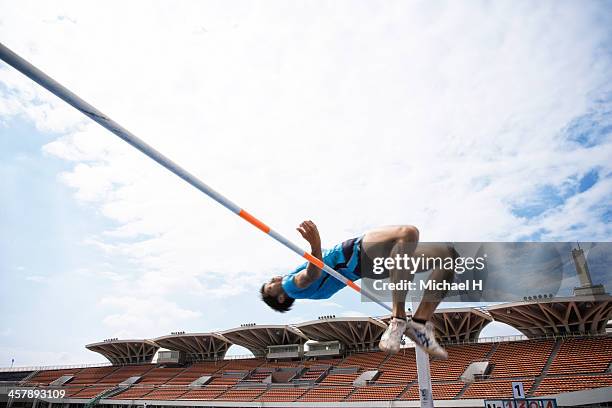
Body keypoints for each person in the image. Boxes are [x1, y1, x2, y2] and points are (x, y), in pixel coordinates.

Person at [260, 220, 456, 359]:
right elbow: (311, 275)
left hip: (367, 267)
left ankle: (419, 323)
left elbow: (313, 277)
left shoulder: (309, 294)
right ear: (279, 298)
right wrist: (315, 244)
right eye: (271, 284)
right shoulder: (290, 286)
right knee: (408, 232)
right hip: (357, 252)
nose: (275, 278)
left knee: (447, 256)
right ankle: (398, 319)